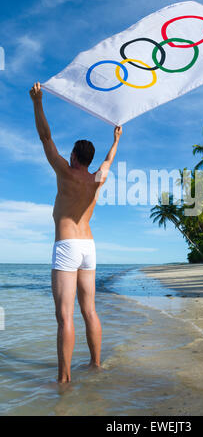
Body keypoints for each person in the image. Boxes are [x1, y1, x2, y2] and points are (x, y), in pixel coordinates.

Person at [29, 82, 122, 383]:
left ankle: (64, 379)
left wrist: (37, 101)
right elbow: (110, 160)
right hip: (89, 247)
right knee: (90, 311)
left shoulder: (65, 172)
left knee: (65, 317)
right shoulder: (97, 178)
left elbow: (45, 137)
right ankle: (96, 364)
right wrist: (116, 138)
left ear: (72, 155)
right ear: (90, 159)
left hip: (68, 245)